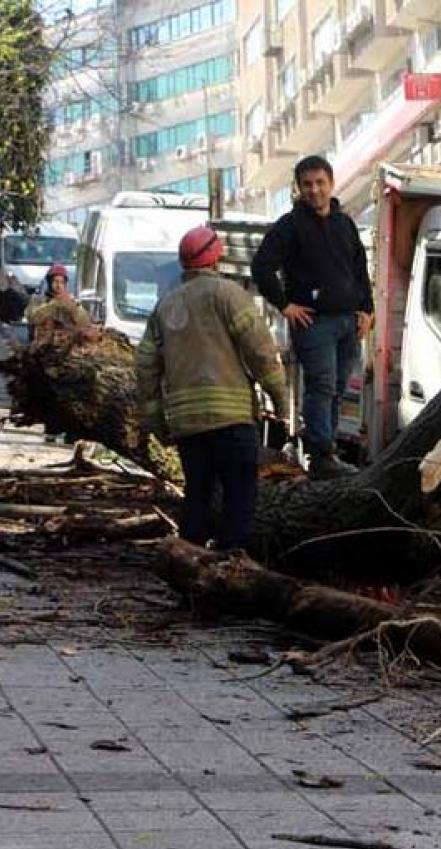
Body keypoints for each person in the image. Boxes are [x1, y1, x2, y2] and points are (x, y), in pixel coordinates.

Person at [135, 225, 287, 552]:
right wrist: (281, 402)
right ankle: (230, 565)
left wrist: (154, 421)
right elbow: (261, 353)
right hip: (231, 420)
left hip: (187, 425)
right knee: (240, 494)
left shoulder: (166, 305)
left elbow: (145, 365)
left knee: (198, 493)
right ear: (216, 257)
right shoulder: (229, 295)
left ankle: (188, 558)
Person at [250, 154, 372, 480]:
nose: (314, 190)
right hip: (314, 324)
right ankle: (321, 454)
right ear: (299, 188)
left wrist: (367, 311)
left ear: (331, 183)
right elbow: (261, 267)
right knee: (321, 386)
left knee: (337, 389)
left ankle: (328, 452)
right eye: (307, 184)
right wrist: (284, 305)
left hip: (349, 321)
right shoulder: (289, 227)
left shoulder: (344, 223)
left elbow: (360, 270)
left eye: (320, 183)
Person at [28, 263, 92, 342]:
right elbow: (33, 319)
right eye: (56, 281)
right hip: (44, 343)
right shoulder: (37, 300)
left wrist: (73, 308)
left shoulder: (71, 301)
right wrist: (54, 304)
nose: (59, 286)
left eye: (62, 282)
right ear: (49, 282)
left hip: (66, 343)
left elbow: (85, 323)